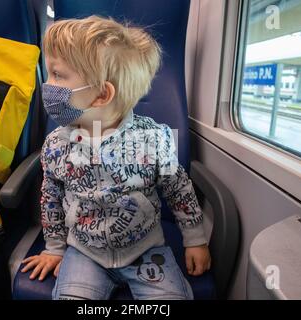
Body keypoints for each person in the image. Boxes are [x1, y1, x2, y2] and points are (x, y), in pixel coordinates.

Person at [21, 15, 211, 300]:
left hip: (146, 249)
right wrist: (54, 248)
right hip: (84, 251)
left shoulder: (153, 138)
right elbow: (51, 198)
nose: (47, 85)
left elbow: (179, 189)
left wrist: (195, 239)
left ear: (101, 95)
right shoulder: (57, 143)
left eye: (58, 75)